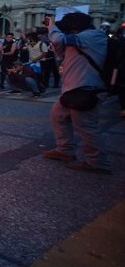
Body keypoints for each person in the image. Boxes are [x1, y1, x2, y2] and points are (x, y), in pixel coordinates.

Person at [42, 13, 112, 174]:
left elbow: (58, 39)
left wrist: (52, 26)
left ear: (74, 27)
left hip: (86, 88)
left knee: (86, 125)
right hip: (72, 89)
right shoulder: (79, 39)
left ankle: (98, 161)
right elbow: (61, 54)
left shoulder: (92, 36)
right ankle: (65, 150)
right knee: (58, 115)